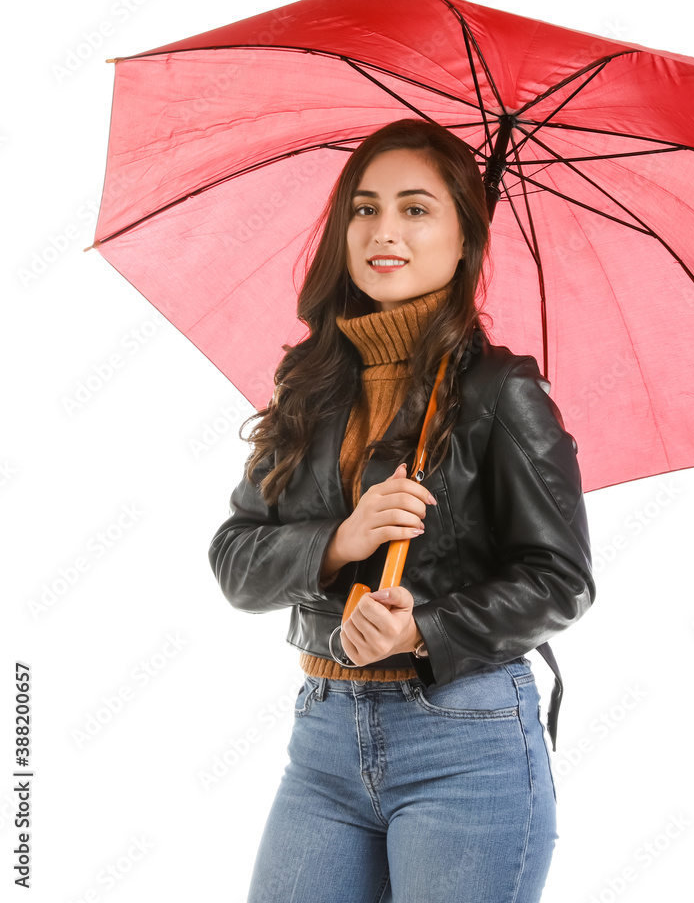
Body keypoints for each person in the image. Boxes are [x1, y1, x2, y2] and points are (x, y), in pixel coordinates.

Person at [208, 118, 594, 903]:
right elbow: (236, 561)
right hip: (322, 733)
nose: (384, 231)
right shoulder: (309, 384)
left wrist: (423, 628)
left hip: (466, 738)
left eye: (416, 210)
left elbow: (560, 580)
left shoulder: (500, 391)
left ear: (464, 241)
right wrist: (341, 539)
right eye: (364, 207)